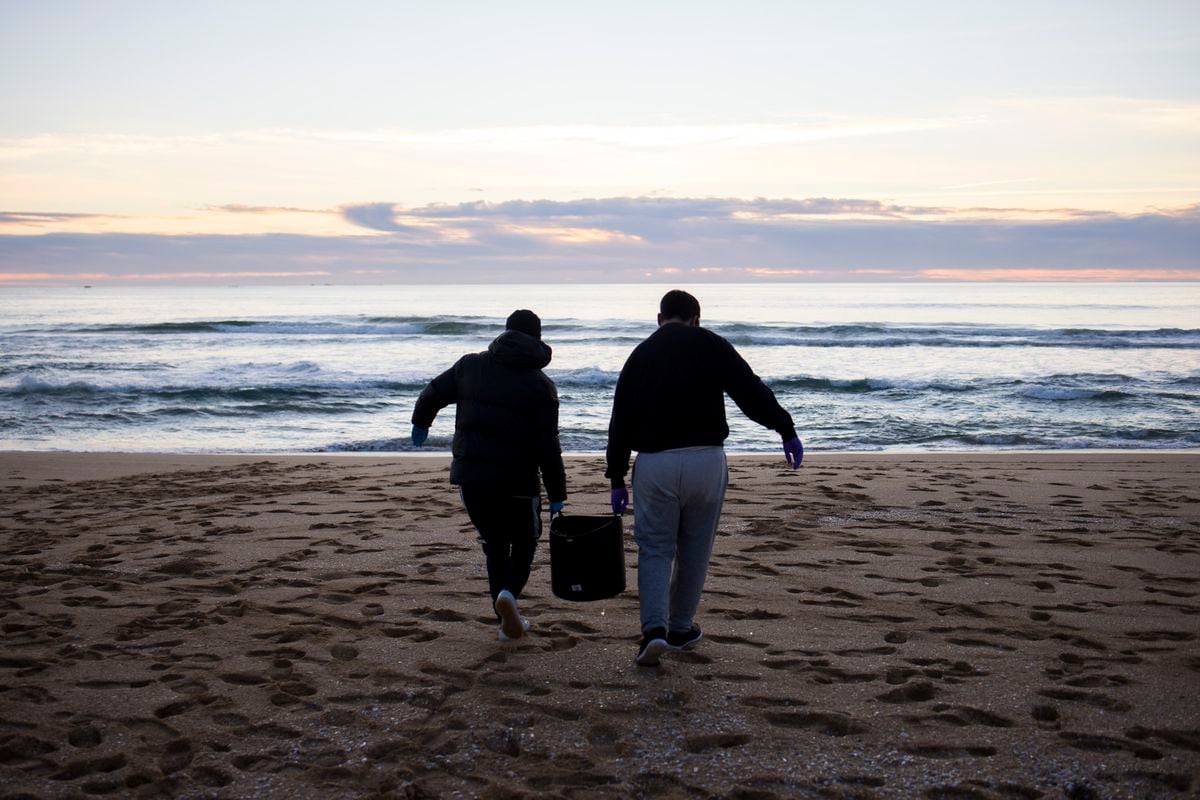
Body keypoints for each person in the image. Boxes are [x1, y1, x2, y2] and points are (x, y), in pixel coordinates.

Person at [606, 290, 803, 666]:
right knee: (695, 549)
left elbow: (621, 421)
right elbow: (750, 391)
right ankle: (680, 628)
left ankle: (654, 630)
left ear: (659, 318)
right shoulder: (712, 344)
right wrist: (785, 428)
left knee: (655, 548)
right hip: (706, 461)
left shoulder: (641, 354)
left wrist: (616, 477)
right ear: (696, 318)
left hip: (655, 463)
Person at [411, 309, 567, 642]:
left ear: (505, 332)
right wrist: (557, 493)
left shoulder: (470, 366)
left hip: (473, 478)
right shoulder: (541, 385)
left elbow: (432, 393)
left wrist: (421, 423)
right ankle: (509, 595)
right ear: (538, 339)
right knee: (524, 542)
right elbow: (547, 446)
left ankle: (504, 618)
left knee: (495, 545)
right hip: (519, 482)